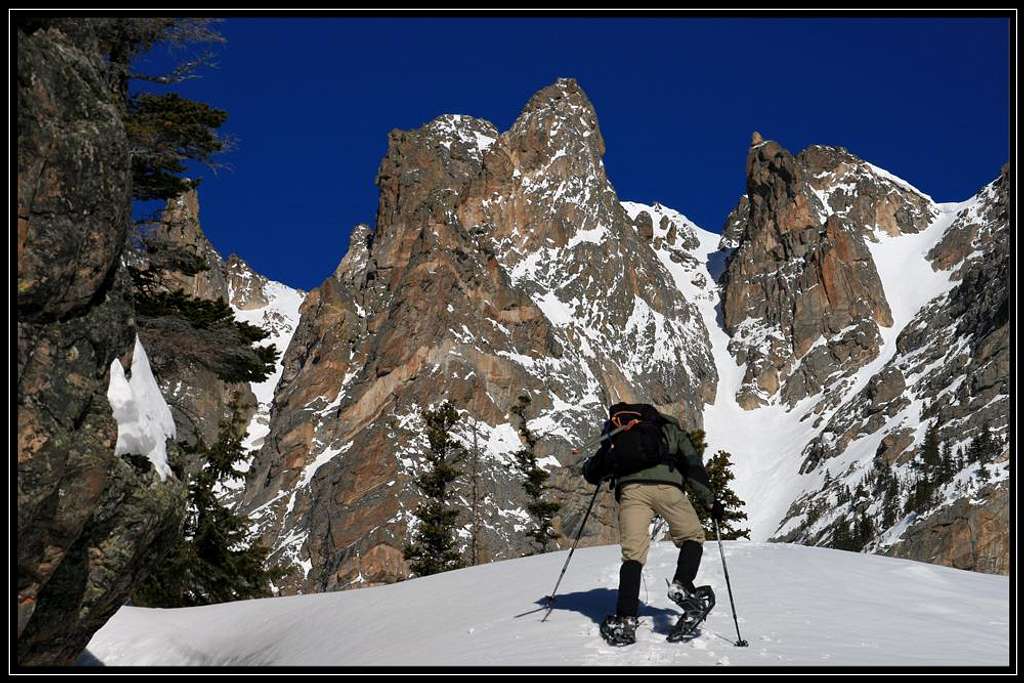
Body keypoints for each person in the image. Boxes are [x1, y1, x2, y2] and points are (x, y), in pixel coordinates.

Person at [579, 402, 724, 646]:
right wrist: (710, 502)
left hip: (631, 492)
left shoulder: (618, 431)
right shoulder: (668, 428)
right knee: (692, 535)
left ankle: (625, 620)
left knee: (633, 555)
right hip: (668, 488)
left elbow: (595, 471)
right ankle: (683, 584)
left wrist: (595, 467)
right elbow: (692, 465)